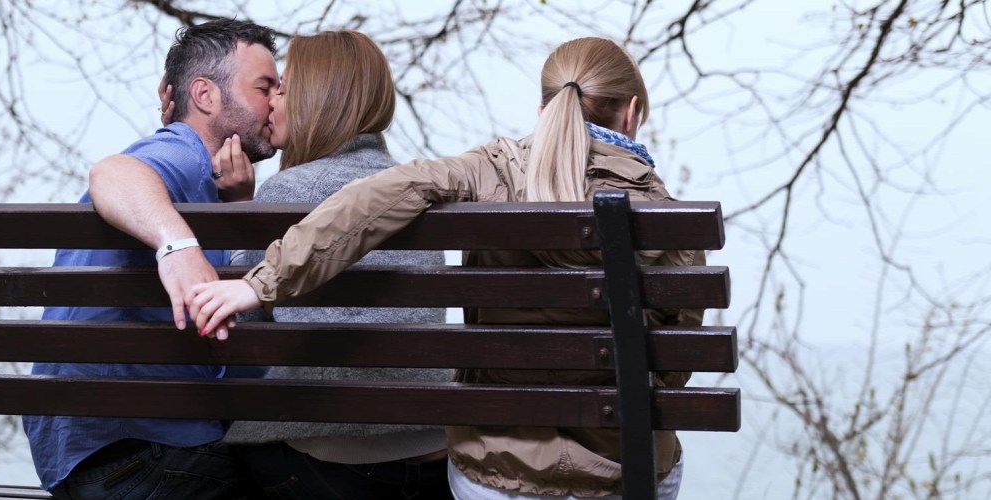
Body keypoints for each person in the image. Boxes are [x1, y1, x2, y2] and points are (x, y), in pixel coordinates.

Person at [184, 37, 699, 500]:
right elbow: (672, 368)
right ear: (631, 112)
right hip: (627, 470)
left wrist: (260, 282)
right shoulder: (667, 217)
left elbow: (377, 197)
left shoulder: (491, 170)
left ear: (544, 110)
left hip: (497, 472)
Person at [22, 19, 277, 500]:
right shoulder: (180, 153)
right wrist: (177, 248)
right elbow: (113, 171)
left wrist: (238, 210)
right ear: (205, 95)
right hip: (139, 455)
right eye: (264, 87)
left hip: (96, 459)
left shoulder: (195, 182)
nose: (276, 103)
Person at [208, 30, 454, 499]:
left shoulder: (287, 193)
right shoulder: (412, 189)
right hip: (433, 449)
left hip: (335, 457)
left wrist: (239, 212)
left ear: (317, 98)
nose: (271, 102)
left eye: (283, 89)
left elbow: (244, 329)